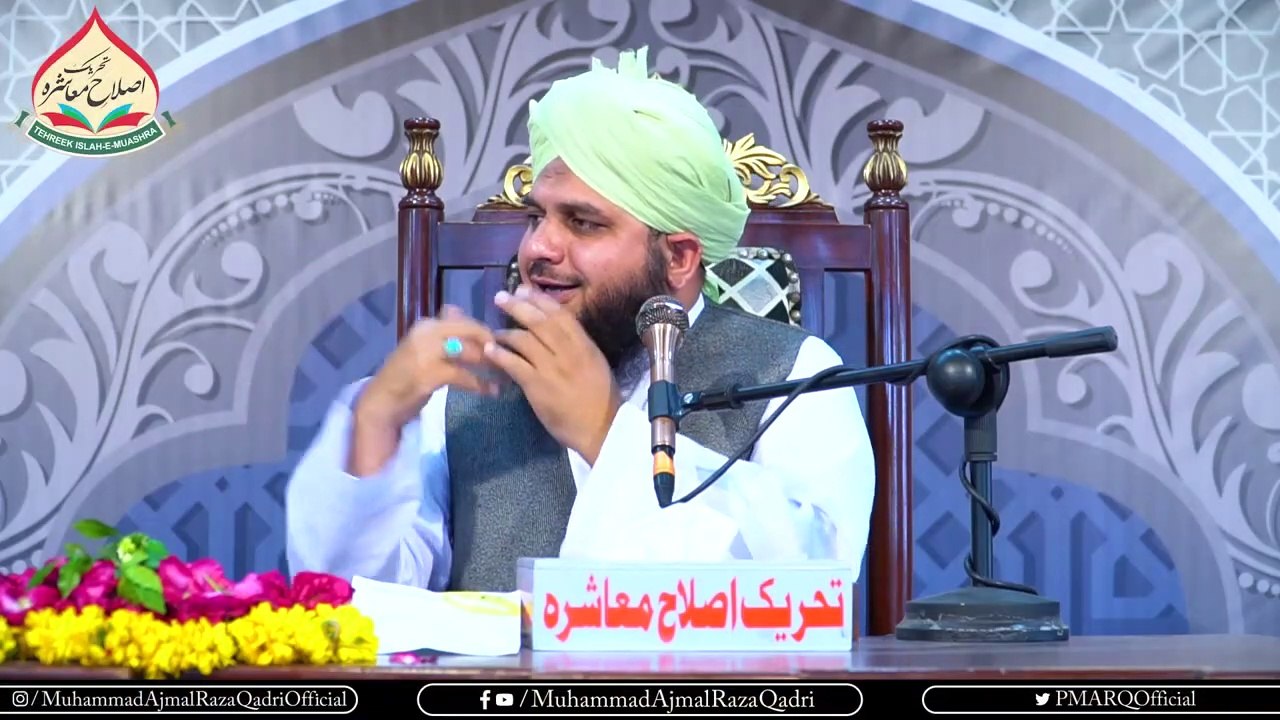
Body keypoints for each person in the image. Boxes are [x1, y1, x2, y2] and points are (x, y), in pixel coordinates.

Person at [285, 47, 875, 593]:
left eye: (584, 223)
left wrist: (604, 434)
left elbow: (813, 589)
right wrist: (377, 423)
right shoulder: (469, 389)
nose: (537, 248)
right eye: (536, 217)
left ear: (678, 257)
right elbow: (361, 603)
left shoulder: (795, 374)